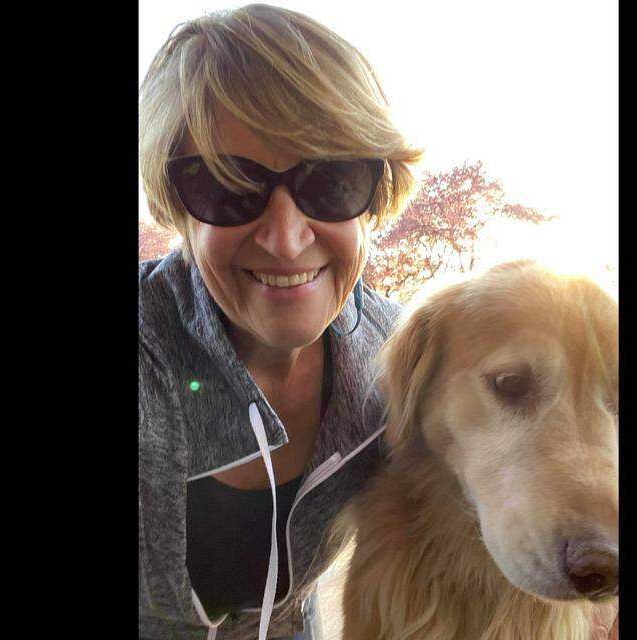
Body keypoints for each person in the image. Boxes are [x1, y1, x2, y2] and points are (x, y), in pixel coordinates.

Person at [138, 4, 422, 639]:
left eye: (332, 180)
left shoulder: (399, 360)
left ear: (377, 191)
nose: (287, 240)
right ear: (177, 208)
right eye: (227, 186)